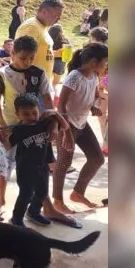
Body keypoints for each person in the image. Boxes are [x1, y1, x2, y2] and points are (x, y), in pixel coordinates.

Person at [0, 35, 79, 227]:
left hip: (37, 126)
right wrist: (3, 124)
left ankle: (36, 209)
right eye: (23, 57)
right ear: (12, 53)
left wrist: (52, 124)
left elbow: (48, 102)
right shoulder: (2, 74)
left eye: (31, 58)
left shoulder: (39, 73)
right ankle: (1, 202)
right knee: (5, 166)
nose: (27, 62)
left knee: (39, 166)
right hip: (13, 128)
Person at [54, 43, 109, 211]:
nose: (106, 66)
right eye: (105, 62)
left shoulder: (94, 76)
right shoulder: (74, 76)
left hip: (82, 123)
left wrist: (93, 107)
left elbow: (91, 97)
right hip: (66, 125)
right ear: (94, 61)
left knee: (97, 158)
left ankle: (77, 193)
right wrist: (66, 133)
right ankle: (57, 201)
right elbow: (61, 106)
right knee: (63, 163)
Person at [0, 94, 69, 227]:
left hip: (43, 165)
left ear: (39, 110)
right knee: (25, 194)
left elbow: (65, 126)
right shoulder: (18, 130)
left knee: (42, 192)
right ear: (17, 114)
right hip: (25, 168)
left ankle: (33, 212)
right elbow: (8, 146)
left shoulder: (44, 124)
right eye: (26, 114)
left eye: (34, 112)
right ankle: (16, 218)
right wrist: (4, 138)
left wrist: (54, 113)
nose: (31, 117)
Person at [15, 0, 65, 84]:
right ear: (44, 12)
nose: (58, 19)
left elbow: (40, 51)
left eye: (60, 16)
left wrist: (57, 53)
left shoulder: (42, 26)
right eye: (56, 15)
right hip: (31, 84)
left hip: (40, 83)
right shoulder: (32, 27)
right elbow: (22, 57)